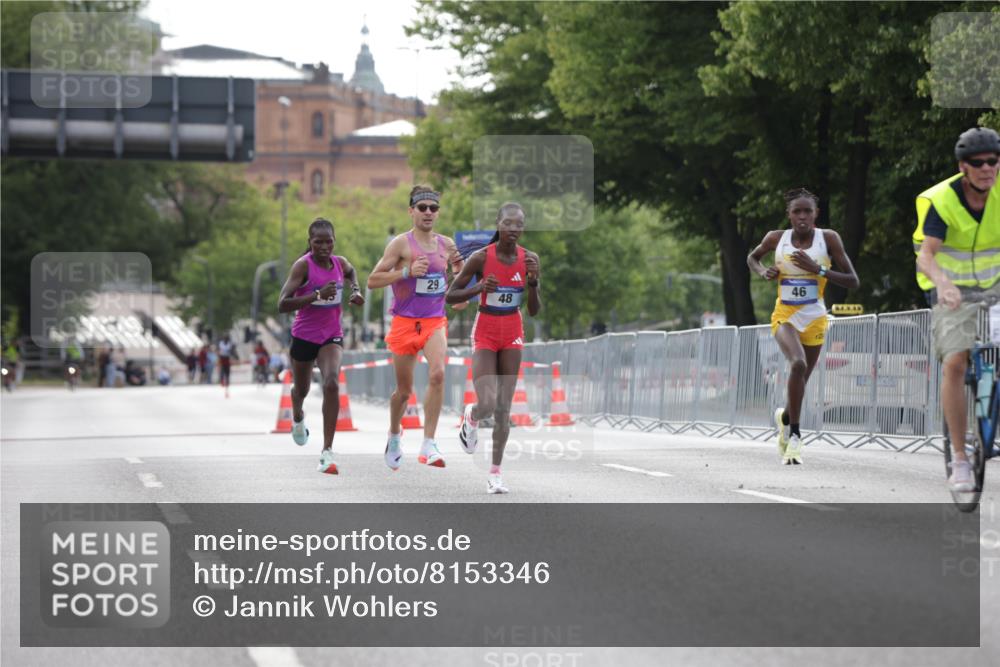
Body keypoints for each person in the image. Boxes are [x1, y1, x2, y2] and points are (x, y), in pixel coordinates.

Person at [914, 126, 1000, 492]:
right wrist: (944, 284)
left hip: (995, 288)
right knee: (955, 361)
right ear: (963, 167)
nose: (987, 169)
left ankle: (991, 422)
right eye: (978, 163)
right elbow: (926, 255)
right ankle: (961, 459)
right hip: (952, 291)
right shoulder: (942, 200)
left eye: (993, 161)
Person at [748, 187, 860, 465]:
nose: (802, 217)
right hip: (785, 316)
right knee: (797, 364)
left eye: (807, 211)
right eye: (796, 211)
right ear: (788, 215)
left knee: (802, 380)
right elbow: (752, 257)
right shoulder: (776, 238)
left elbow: (853, 280)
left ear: (815, 214)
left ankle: (785, 417)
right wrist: (764, 271)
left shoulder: (829, 239)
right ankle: (795, 436)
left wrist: (818, 269)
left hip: (815, 317)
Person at [366, 186, 466, 471]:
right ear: (411, 211)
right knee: (404, 390)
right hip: (405, 322)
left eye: (433, 208)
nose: (428, 213)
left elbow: (460, 280)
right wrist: (407, 272)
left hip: (435, 320)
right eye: (422, 207)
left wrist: (461, 293)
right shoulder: (401, 245)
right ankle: (394, 434)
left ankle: (429, 443)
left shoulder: (448, 246)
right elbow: (373, 280)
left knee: (438, 373)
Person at [447, 202, 542, 494]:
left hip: (512, 332)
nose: (514, 229)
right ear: (498, 224)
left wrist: (534, 284)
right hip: (486, 333)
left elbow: (535, 310)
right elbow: (450, 296)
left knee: (503, 409)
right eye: (508, 224)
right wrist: (478, 290)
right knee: (487, 403)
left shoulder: (529, 259)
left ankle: (495, 473)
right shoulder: (480, 258)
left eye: (519, 225)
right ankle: (472, 417)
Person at [278, 217, 365, 474]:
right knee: (302, 389)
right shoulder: (302, 267)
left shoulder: (340, 263)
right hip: (304, 335)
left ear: (334, 242)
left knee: (331, 383)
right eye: (318, 242)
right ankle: (297, 416)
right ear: (310, 243)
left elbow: (351, 273)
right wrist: (316, 295)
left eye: (329, 242)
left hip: (331, 335)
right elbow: (282, 304)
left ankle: (327, 452)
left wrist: (356, 290)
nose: (324, 247)